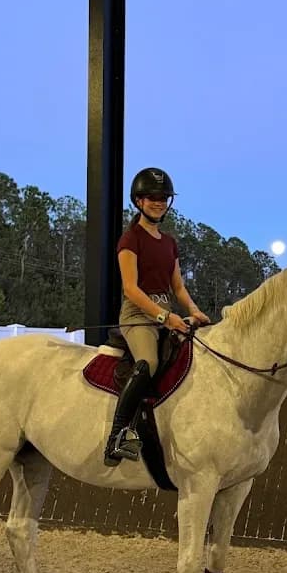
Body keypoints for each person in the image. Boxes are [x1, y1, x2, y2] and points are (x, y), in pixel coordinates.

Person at [104, 167, 210, 466]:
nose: (158, 202)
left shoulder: (169, 242)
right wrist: (165, 317)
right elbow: (131, 288)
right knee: (148, 362)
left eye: (163, 197)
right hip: (138, 313)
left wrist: (194, 311)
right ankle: (118, 435)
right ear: (138, 201)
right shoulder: (130, 239)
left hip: (167, 311)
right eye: (152, 197)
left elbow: (177, 285)